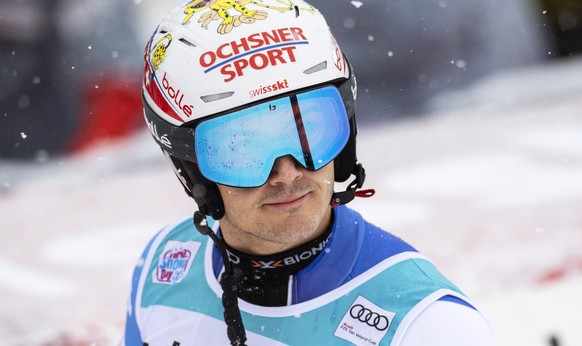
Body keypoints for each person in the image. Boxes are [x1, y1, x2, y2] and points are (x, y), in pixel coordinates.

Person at [122, 1, 497, 345]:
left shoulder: (430, 326)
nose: (287, 174)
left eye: (308, 131)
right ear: (191, 170)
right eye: (242, 148)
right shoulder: (165, 262)